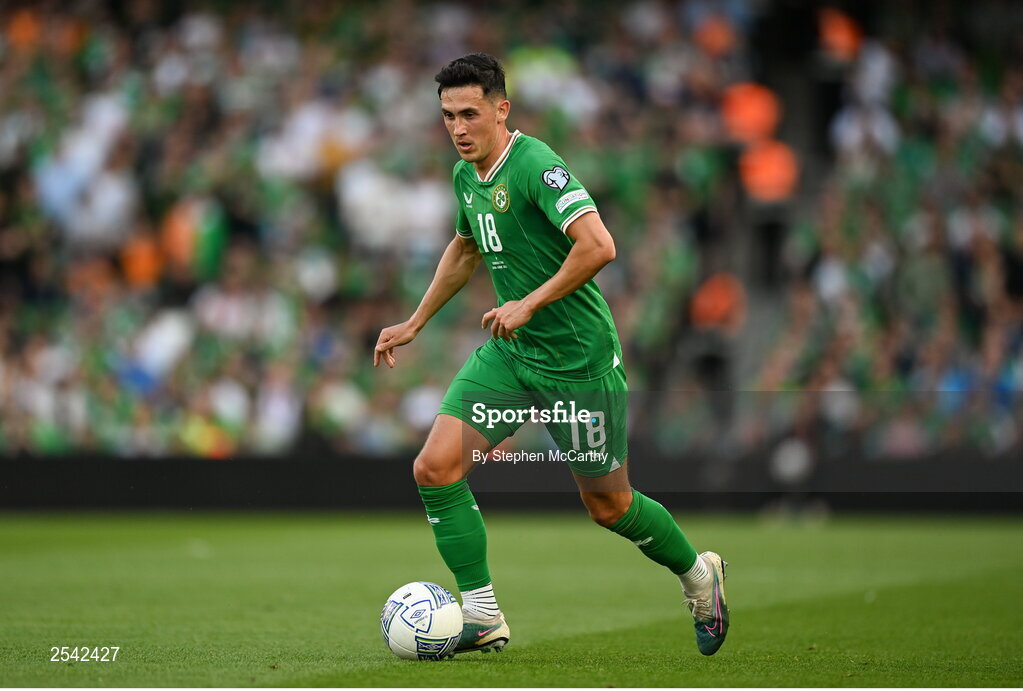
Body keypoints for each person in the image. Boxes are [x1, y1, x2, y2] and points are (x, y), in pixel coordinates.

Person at [373, 53, 729, 657]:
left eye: (470, 113)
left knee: (609, 505)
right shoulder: (467, 177)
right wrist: (416, 320)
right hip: (513, 356)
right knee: (434, 468)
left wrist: (529, 302)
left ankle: (700, 576)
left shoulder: (537, 165)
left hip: (579, 364)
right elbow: (465, 250)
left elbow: (599, 246)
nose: (458, 128)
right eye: (447, 116)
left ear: (501, 110)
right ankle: (482, 616)